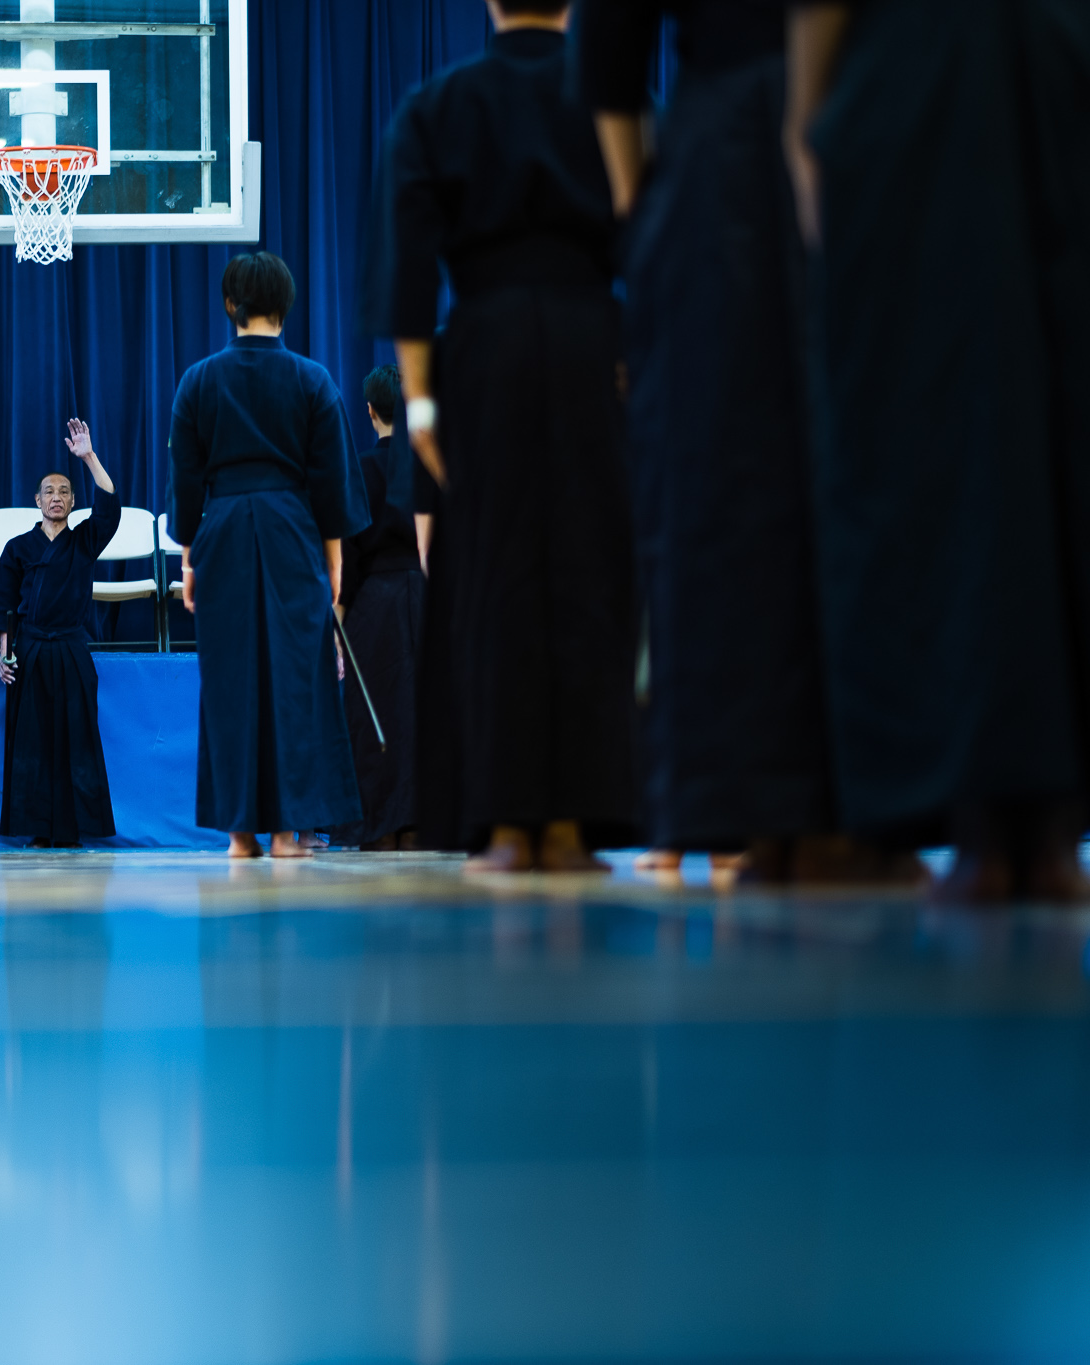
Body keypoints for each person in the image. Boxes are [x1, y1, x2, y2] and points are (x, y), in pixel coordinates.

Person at [787, 1, 1090, 901]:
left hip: (915, 67)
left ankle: (978, 814)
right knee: (1059, 416)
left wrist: (807, 122)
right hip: (1061, 55)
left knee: (927, 427)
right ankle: (1052, 816)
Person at [578, 0, 860, 883]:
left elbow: (608, 54)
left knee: (721, 485)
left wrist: (636, 200)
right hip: (839, 128)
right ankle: (855, 800)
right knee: (846, 472)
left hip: (708, 156)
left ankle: (742, 802)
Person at [379, 0, 638, 873]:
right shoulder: (613, 99)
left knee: (495, 577)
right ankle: (576, 822)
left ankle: (504, 820)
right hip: (591, 343)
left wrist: (420, 403)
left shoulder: (438, 103)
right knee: (591, 573)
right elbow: (644, 230)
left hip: (481, 352)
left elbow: (409, 266)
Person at [169, 252, 369, 860]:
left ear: (230, 305)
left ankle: (238, 835)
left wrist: (188, 559)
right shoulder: (314, 380)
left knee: (229, 681)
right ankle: (288, 832)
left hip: (223, 530)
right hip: (292, 531)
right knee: (297, 681)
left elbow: (186, 480)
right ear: (286, 306)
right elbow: (332, 484)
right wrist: (332, 563)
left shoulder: (198, 380)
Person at [0, 424, 123, 849]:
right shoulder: (17, 548)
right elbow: (5, 606)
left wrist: (88, 458)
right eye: (49, 491)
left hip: (70, 648)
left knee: (77, 739)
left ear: (73, 501)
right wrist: (6, 657)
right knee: (32, 742)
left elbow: (110, 506)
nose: (57, 497)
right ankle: (39, 830)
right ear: (38, 501)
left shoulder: (84, 541)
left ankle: (73, 828)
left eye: (64, 491)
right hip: (29, 652)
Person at [336, 367, 424, 851]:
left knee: (373, 719)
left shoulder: (359, 469)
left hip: (373, 603)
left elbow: (347, 552)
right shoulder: (430, 465)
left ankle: (377, 827)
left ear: (369, 411)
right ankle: (428, 821)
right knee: (426, 714)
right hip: (428, 596)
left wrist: (339, 622)